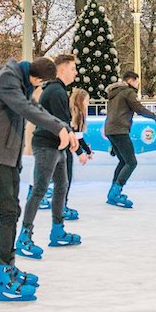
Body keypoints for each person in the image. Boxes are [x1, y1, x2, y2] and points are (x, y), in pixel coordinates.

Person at [0, 57, 76, 302]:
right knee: (9, 212)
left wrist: (64, 128)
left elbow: (37, 108)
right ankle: (3, 276)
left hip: (7, 156)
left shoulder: (19, 82)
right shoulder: (8, 79)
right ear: (38, 79)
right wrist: (58, 128)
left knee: (13, 210)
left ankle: (8, 267)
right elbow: (26, 109)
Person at [16, 54, 88, 259]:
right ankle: (24, 236)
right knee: (40, 189)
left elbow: (62, 123)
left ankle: (57, 229)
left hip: (57, 147)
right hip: (47, 146)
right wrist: (78, 147)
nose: (76, 72)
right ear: (63, 69)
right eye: (73, 68)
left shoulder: (57, 90)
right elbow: (60, 123)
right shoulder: (56, 91)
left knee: (61, 186)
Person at [103, 70, 156, 208]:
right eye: (136, 81)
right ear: (130, 80)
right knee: (131, 162)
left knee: (123, 161)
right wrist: (153, 115)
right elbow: (138, 108)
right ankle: (115, 192)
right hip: (120, 130)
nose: (137, 84)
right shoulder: (128, 92)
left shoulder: (114, 93)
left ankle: (112, 192)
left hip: (111, 129)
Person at [64, 87, 93, 219]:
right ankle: (61, 206)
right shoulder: (73, 114)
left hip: (67, 149)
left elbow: (79, 137)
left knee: (65, 177)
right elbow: (74, 138)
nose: (88, 104)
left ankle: (61, 204)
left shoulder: (79, 115)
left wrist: (86, 151)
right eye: (87, 101)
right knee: (65, 178)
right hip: (64, 148)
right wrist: (81, 153)